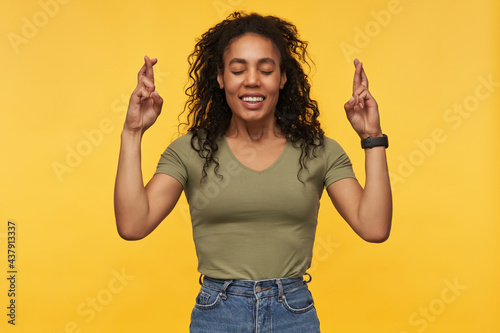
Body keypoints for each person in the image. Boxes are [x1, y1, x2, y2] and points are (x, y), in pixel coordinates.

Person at [114, 12, 392, 333]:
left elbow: (374, 227)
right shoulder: (190, 150)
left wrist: (372, 138)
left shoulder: (319, 150)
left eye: (265, 69)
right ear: (220, 78)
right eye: (237, 69)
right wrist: (132, 132)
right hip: (218, 314)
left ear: (283, 78)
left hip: (293, 313)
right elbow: (133, 224)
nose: (251, 80)